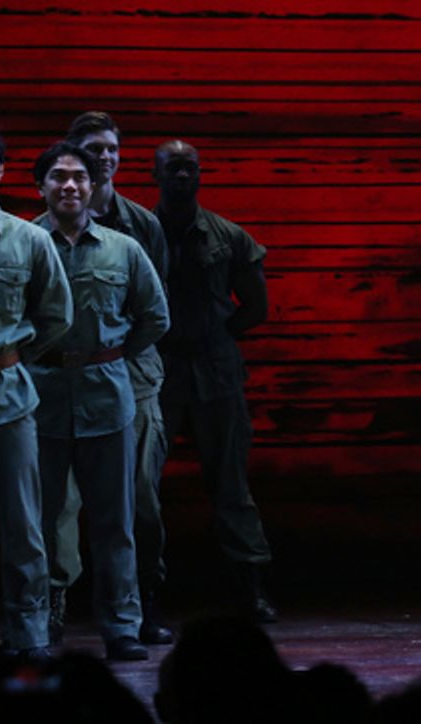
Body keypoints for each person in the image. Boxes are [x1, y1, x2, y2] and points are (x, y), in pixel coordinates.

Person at [29, 141, 169, 661]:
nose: (69, 185)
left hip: (108, 398)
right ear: (40, 186)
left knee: (116, 521)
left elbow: (156, 317)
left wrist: (109, 355)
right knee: (40, 520)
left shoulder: (122, 248)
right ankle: (38, 623)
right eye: (58, 177)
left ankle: (122, 625)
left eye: (79, 177)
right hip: (40, 398)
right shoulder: (24, 242)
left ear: (93, 186)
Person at [152, 139, 278, 622]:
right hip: (158, 372)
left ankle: (251, 585)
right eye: (173, 168)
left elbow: (257, 308)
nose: (182, 176)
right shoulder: (138, 234)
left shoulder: (228, 237)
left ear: (201, 174)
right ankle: (143, 590)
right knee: (142, 486)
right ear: (155, 175)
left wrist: (214, 336)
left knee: (230, 483)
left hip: (215, 371)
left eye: (190, 168)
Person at [0, 123, 72, 661]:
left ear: (3, 172)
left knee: (23, 522)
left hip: (5, 393)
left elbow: (56, 314)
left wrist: (11, 356)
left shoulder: (29, 240)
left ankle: (27, 634)